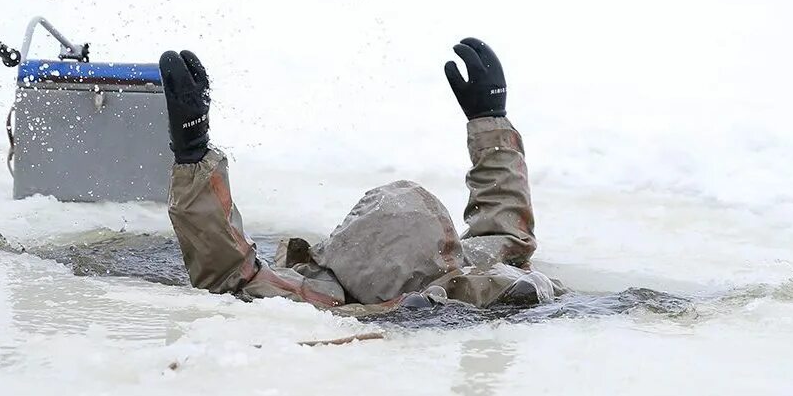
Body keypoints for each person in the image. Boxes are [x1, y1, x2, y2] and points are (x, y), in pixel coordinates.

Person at [158, 38, 565, 310]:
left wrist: (193, 151)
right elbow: (506, 236)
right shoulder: (464, 281)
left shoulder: (317, 297)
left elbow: (230, 276)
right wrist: (490, 118)